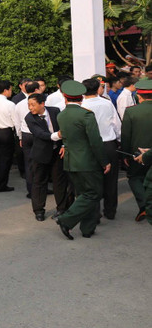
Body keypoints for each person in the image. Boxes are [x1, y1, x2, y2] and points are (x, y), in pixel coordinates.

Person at [55, 80, 110, 240]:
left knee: (84, 195)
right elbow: (95, 141)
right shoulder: (86, 115)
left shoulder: (62, 115)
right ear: (82, 98)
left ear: (66, 98)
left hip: (71, 161)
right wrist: (104, 161)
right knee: (93, 194)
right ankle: (66, 220)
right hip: (87, 162)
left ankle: (88, 228)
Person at [81, 78, 121, 220]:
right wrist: (119, 141)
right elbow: (117, 125)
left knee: (92, 181)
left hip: (89, 146)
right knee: (111, 180)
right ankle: (110, 211)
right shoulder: (107, 103)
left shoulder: (82, 105)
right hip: (108, 144)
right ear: (99, 88)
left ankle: (94, 213)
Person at [25, 93, 66, 221]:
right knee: (39, 182)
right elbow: (40, 134)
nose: (30, 108)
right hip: (41, 153)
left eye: (33, 105)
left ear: (42, 104)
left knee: (59, 182)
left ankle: (62, 209)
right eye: (28, 105)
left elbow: (62, 127)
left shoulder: (55, 111)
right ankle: (38, 210)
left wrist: (64, 144)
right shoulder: (29, 118)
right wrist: (59, 135)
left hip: (57, 152)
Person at [121, 79, 152, 222]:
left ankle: (144, 205)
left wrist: (125, 154)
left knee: (134, 178)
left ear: (139, 96)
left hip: (137, 153)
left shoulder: (131, 111)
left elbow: (126, 135)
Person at [15, 81, 39, 198]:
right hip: (37, 135)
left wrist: (20, 137)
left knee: (29, 163)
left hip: (25, 135)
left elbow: (17, 123)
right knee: (40, 163)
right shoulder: (39, 102)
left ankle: (31, 190)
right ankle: (39, 188)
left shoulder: (19, 104)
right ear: (36, 90)